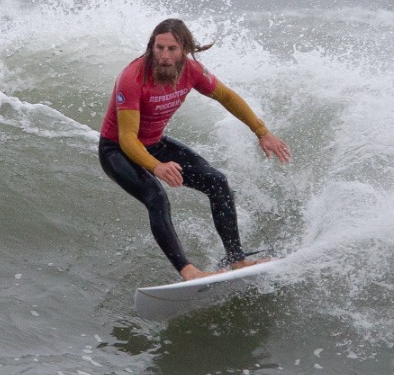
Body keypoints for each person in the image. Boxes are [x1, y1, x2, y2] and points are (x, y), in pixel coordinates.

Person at [99, 18, 291, 281]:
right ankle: (189, 272)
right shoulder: (132, 78)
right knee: (156, 198)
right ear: (151, 47)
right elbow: (128, 138)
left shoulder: (192, 71)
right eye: (159, 48)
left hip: (155, 143)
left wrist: (262, 132)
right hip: (117, 150)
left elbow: (227, 97)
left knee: (217, 182)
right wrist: (156, 166)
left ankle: (237, 260)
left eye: (172, 49)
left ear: (185, 50)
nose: (164, 56)